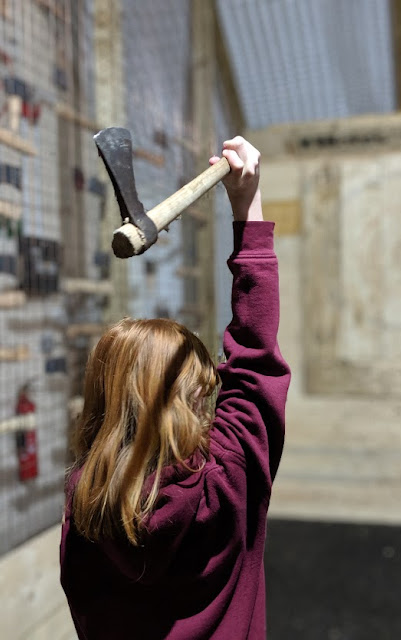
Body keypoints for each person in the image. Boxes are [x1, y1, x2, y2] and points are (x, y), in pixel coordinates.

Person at [60, 136, 291, 639]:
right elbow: (255, 360)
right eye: (200, 395)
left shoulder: (82, 506)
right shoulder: (225, 482)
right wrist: (247, 208)